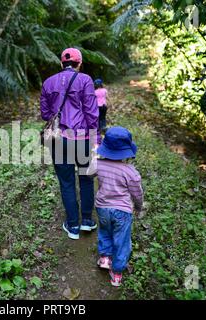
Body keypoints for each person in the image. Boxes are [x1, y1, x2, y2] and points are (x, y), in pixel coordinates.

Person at [40, 48, 100, 240]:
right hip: (82, 138)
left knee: (66, 182)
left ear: (61, 63)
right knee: (86, 178)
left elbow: (45, 114)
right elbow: (91, 112)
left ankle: (72, 226)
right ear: (79, 64)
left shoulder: (48, 82)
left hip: (59, 139)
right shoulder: (85, 80)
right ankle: (87, 222)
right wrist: (96, 138)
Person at [86, 126, 143, 286]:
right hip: (123, 212)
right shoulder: (131, 172)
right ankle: (117, 272)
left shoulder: (99, 164)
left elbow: (89, 174)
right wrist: (138, 207)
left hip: (102, 208)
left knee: (105, 230)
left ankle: (105, 257)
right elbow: (137, 194)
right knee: (122, 240)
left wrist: (94, 157)